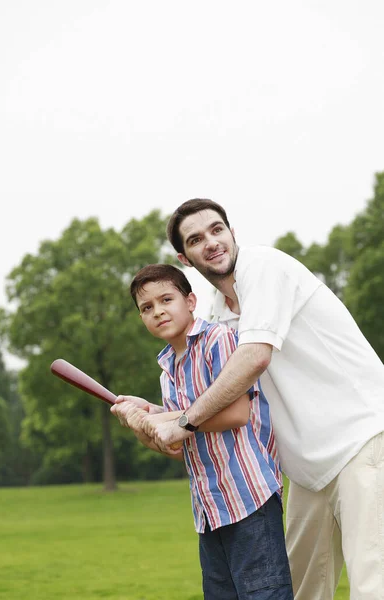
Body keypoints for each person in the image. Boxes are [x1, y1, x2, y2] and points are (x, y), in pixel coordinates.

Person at [135, 199, 384, 600]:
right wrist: (156, 415)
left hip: (364, 439)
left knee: (372, 586)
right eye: (197, 239)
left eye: (218, 230)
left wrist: (181, 423)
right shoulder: (218, 315)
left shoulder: (263, 267)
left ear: (233, 234)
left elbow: (254, 357)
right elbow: (220, 402)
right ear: (185, 257)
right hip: (307, 468)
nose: (212, 242)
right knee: (300, 591)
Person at [112, 263, 293, 600]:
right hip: (209, 509)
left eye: (166, 299)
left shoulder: (218, 339)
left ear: (191, 301)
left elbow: (237, 413)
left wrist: (163, 420)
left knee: (264, 595)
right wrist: (145, 417)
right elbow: (177, 441)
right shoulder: (168, 368)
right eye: (146, 308)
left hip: (248, 498)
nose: (158, 311)